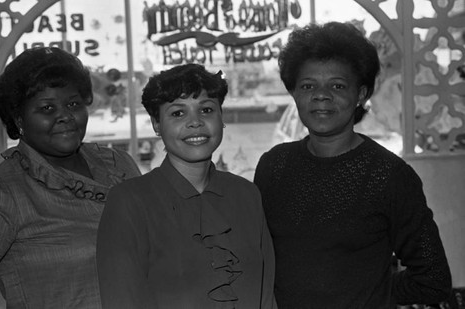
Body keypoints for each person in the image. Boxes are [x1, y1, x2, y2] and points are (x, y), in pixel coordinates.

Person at [254, 22, 452, 308]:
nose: (321, 95)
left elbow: (432, 279)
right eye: (308, 85)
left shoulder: (389, 176)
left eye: (337, 85)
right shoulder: (274, 166)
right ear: (294, 92)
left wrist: (369, 294)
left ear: (360, 94)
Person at [0, 47, 141, 308]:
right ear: (18, 119)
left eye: (73, 104)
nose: (65, 116)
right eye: (47, 107)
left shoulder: (118, 165)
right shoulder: (0, 191)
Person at [96, 63, 277, 309]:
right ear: (156, 124)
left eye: (206, 109)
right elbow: (121, 299)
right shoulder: (129, 201)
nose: (195, 122)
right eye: (178, 113)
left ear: (221, 117)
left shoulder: (246, 194)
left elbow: (265, 296)